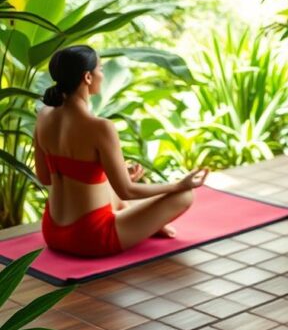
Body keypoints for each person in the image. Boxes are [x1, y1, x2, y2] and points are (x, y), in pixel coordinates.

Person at [34, 46, 208, 258]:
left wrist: (112, 176)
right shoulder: (99, 127)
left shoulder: (43, 116)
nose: (103, 74)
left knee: (117, 187)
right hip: (90, 238)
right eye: (101, 69)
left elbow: (45, 178)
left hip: (52, 232)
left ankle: (142, 221)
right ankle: (145, 222)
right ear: (88, 77)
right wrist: (178, 185)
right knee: (183, 196)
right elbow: (127, 190)